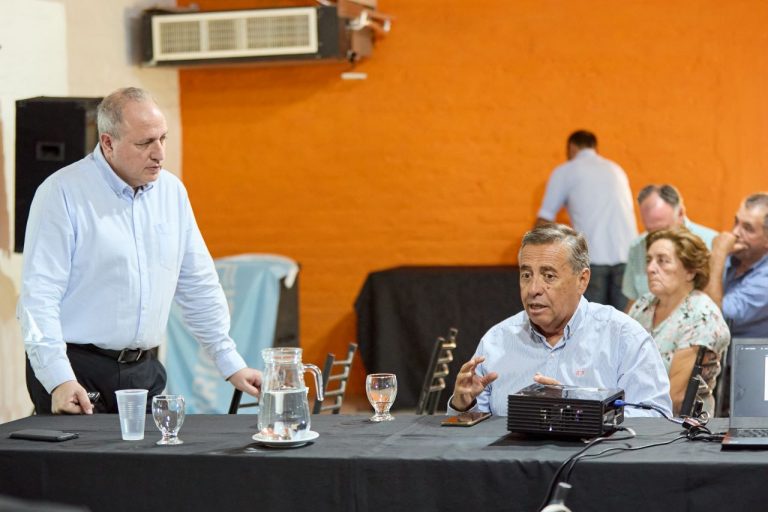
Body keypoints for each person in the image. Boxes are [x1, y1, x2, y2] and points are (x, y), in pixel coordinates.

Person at [17, 87, 262, 415]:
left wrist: (230, 362)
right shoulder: (62, 193)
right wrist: (58, 379)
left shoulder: (172, 192)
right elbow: (39, 298)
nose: (159, 153)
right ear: (108, 143)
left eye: (163, 138)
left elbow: (197, 282)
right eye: (145, 143)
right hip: (76, 370)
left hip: (143, 370)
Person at [447, 224, 672, 418]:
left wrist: (579, 412)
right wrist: (463, 406)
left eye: (549, 276)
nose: (533, 289)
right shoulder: (496, 342)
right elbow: (468, 438)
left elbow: (656, 417)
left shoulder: (624, 337)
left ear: (582, 280)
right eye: (526, 275)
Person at [628, 227, 729, 416]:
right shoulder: (643, 305)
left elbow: (675, 398)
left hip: (676, 426)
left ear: (690, 272)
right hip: (632, 414)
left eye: (663, 261)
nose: (650, 269)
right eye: (649, 260)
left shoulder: (702, 316)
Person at [537, 130, 636, 311]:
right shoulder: (616, 169)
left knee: (590, 323)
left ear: (571, 147)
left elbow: (545, 219)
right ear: (595, 148)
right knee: (624, 323)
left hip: (592, 257)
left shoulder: (566, 171)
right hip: (627, 257)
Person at [622, 184, 718, 310]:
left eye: (664, 230)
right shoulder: (637, 247)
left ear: (681, 213)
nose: (656, 239)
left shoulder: (712, 244)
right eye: (650, 231)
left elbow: (716, 305)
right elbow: (633, 301)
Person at [704, 193, 768, 337]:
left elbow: (712, 320)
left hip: (742, 351)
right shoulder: (735, 256)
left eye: (748, 228)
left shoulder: (765, 281)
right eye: (736, 222)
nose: (735, 233)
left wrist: (718, 253)